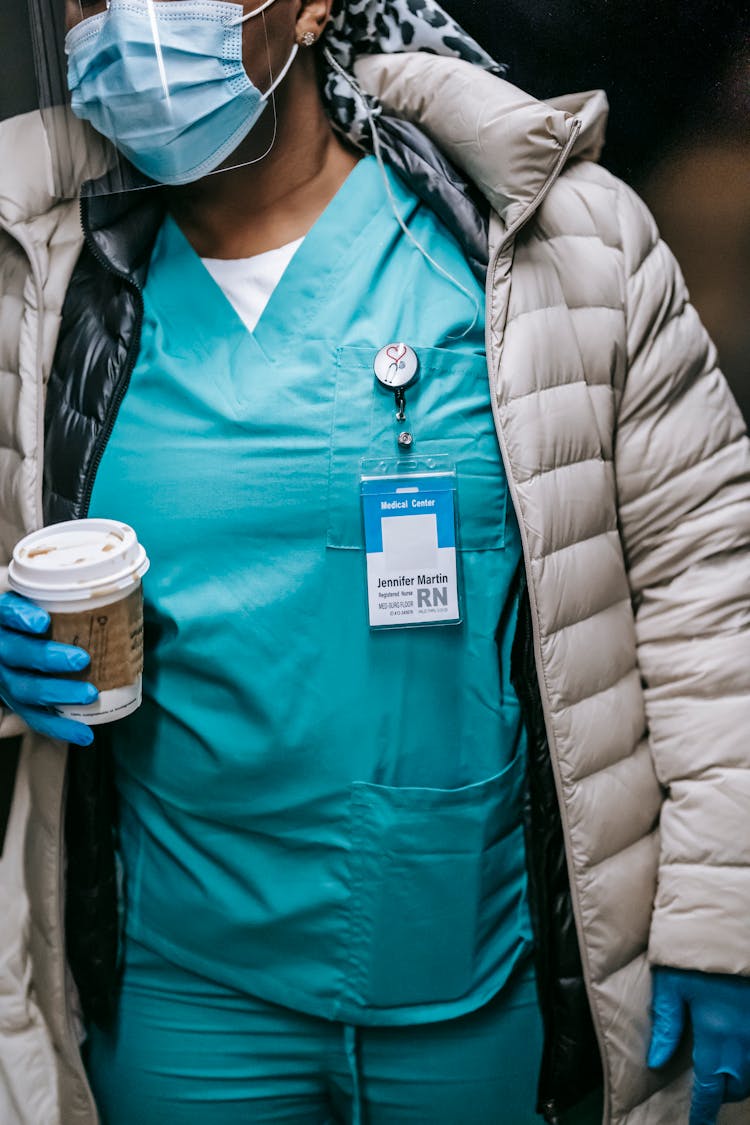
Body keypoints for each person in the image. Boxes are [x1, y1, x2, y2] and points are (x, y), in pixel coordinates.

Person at [0, 0, 748, 1122]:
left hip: (491, 981)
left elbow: (706, 581)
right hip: (181, 995)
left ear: (311, 7)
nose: (131, 18)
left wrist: (724, 905)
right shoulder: (32, 273)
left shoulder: (550, 245)